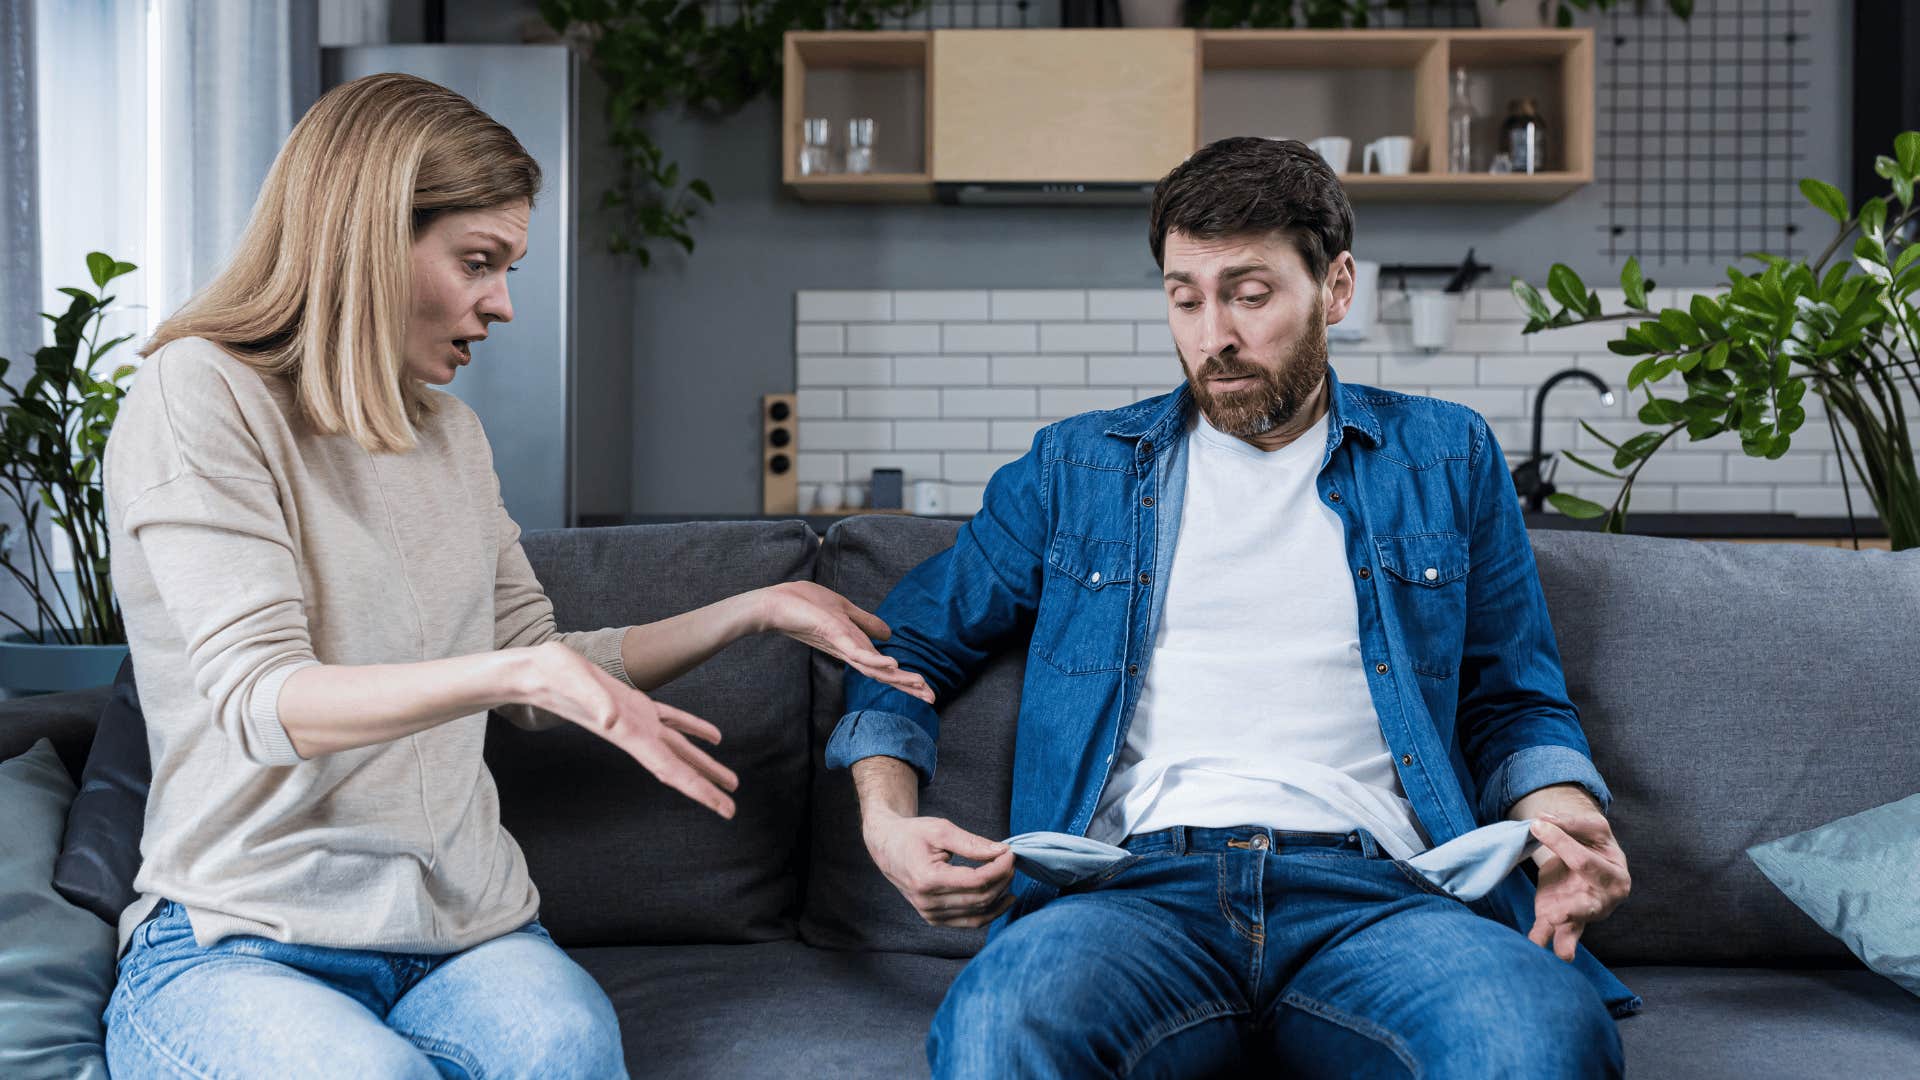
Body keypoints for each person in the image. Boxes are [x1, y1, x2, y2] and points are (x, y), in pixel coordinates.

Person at [99, 73, 932, 1078]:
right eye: (478, 262)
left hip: (464, 933)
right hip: (242, 934)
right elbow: (264, 701)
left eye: (510, 268)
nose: (500, 304)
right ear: (367, 236)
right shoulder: (201, 393)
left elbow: (538, 670)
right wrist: (516, 674)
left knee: (568, 1052)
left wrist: (749, 610)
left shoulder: (451, 435)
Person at [827, 136, 1638, 1078]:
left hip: (1382, 894)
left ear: (1335, 289)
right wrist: (885, 823)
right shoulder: (1075, 468)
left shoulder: (1444, 455)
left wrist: (1566, 820)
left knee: (1539, 1041)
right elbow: (904, 651)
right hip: (1131, 893)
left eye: (1250, 295)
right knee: (1002, 1028)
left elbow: (1513, 698)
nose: (1214, 334)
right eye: (1186, 298)